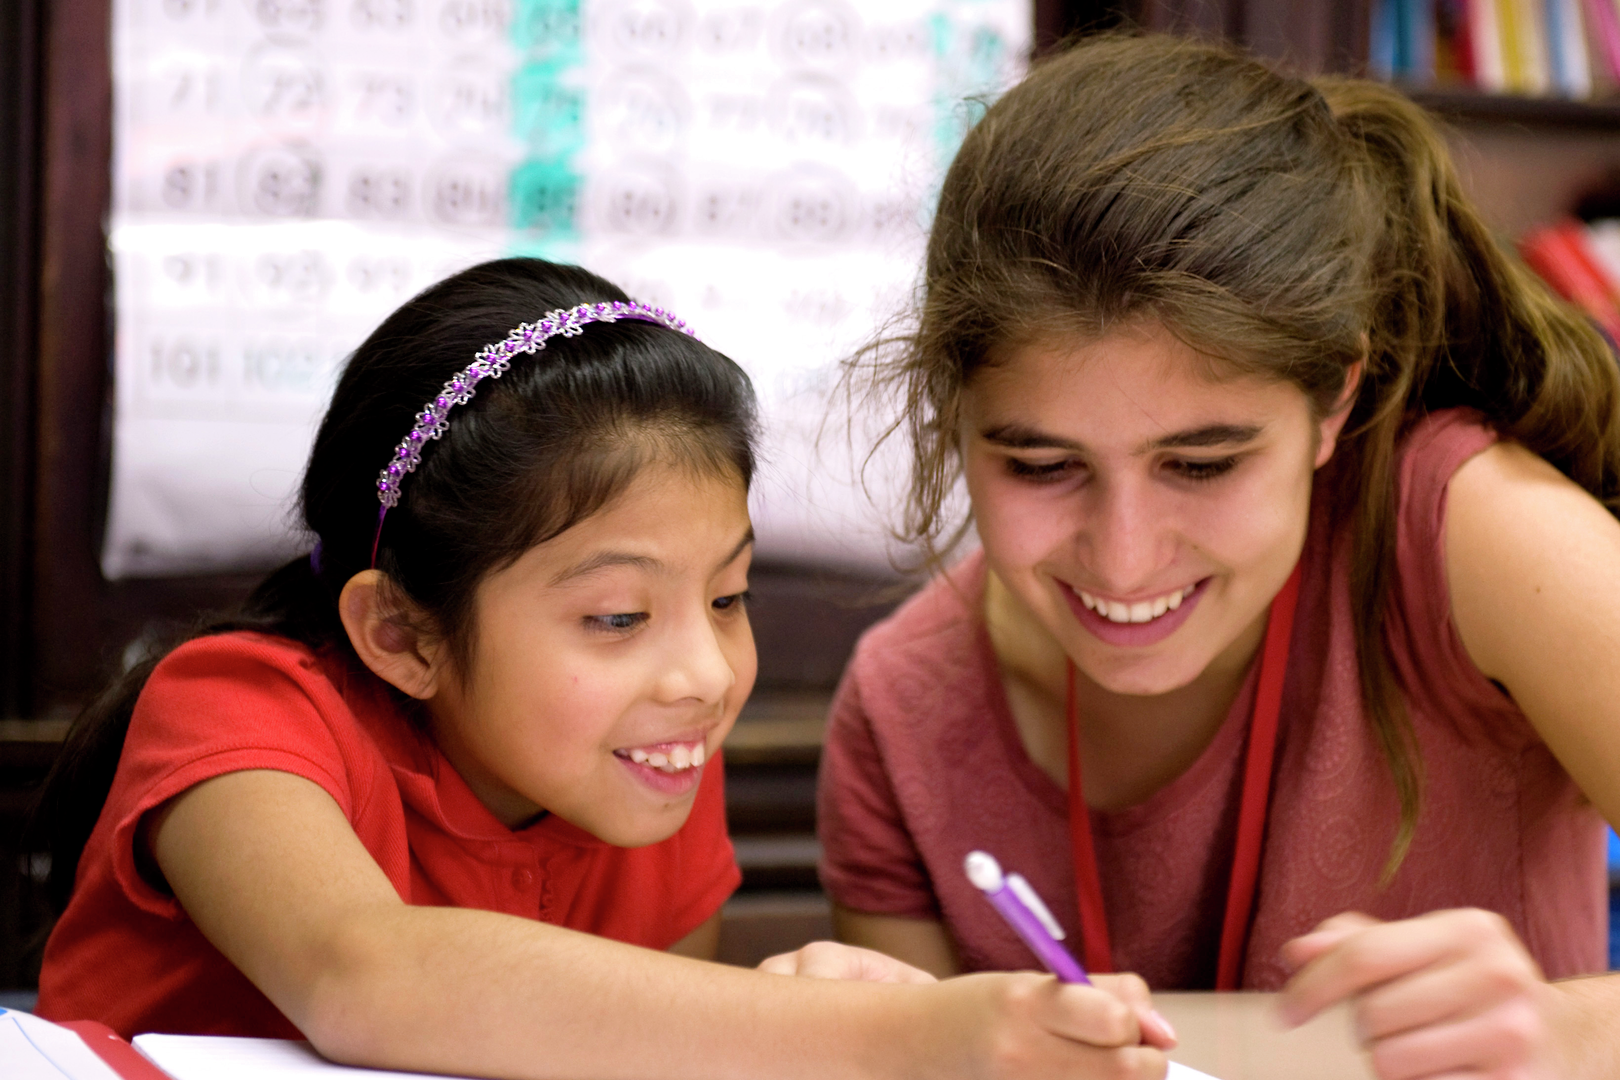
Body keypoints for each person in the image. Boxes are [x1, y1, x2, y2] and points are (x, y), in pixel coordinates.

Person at [818, 34, 1620, 1080]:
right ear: (958, 421)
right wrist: (859, 1050)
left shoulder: (1472, 533)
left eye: (1202, 465)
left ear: (1335, 399)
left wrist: (1577, 1038)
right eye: (1042, 467)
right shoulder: (902, 712)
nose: (1125, 555)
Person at [32, 259, 1177, 1080]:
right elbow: (365, 979)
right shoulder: (240, 709)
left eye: (728, 598)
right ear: (402, 636)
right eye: (619, 616)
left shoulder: (648, 770)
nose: (702, 673)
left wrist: (769, 1014)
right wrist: (901, 1041)